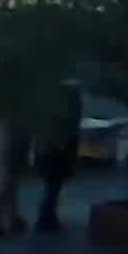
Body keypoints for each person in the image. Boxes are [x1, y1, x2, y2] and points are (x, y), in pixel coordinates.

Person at [32, 82, 82, 234]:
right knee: (53, 185)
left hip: (48, 147)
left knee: (52, 185)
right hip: (58, 148)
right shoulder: (68, 98)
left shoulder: (47, 97)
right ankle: (46, 219)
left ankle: (48, 217)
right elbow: (72, 123)